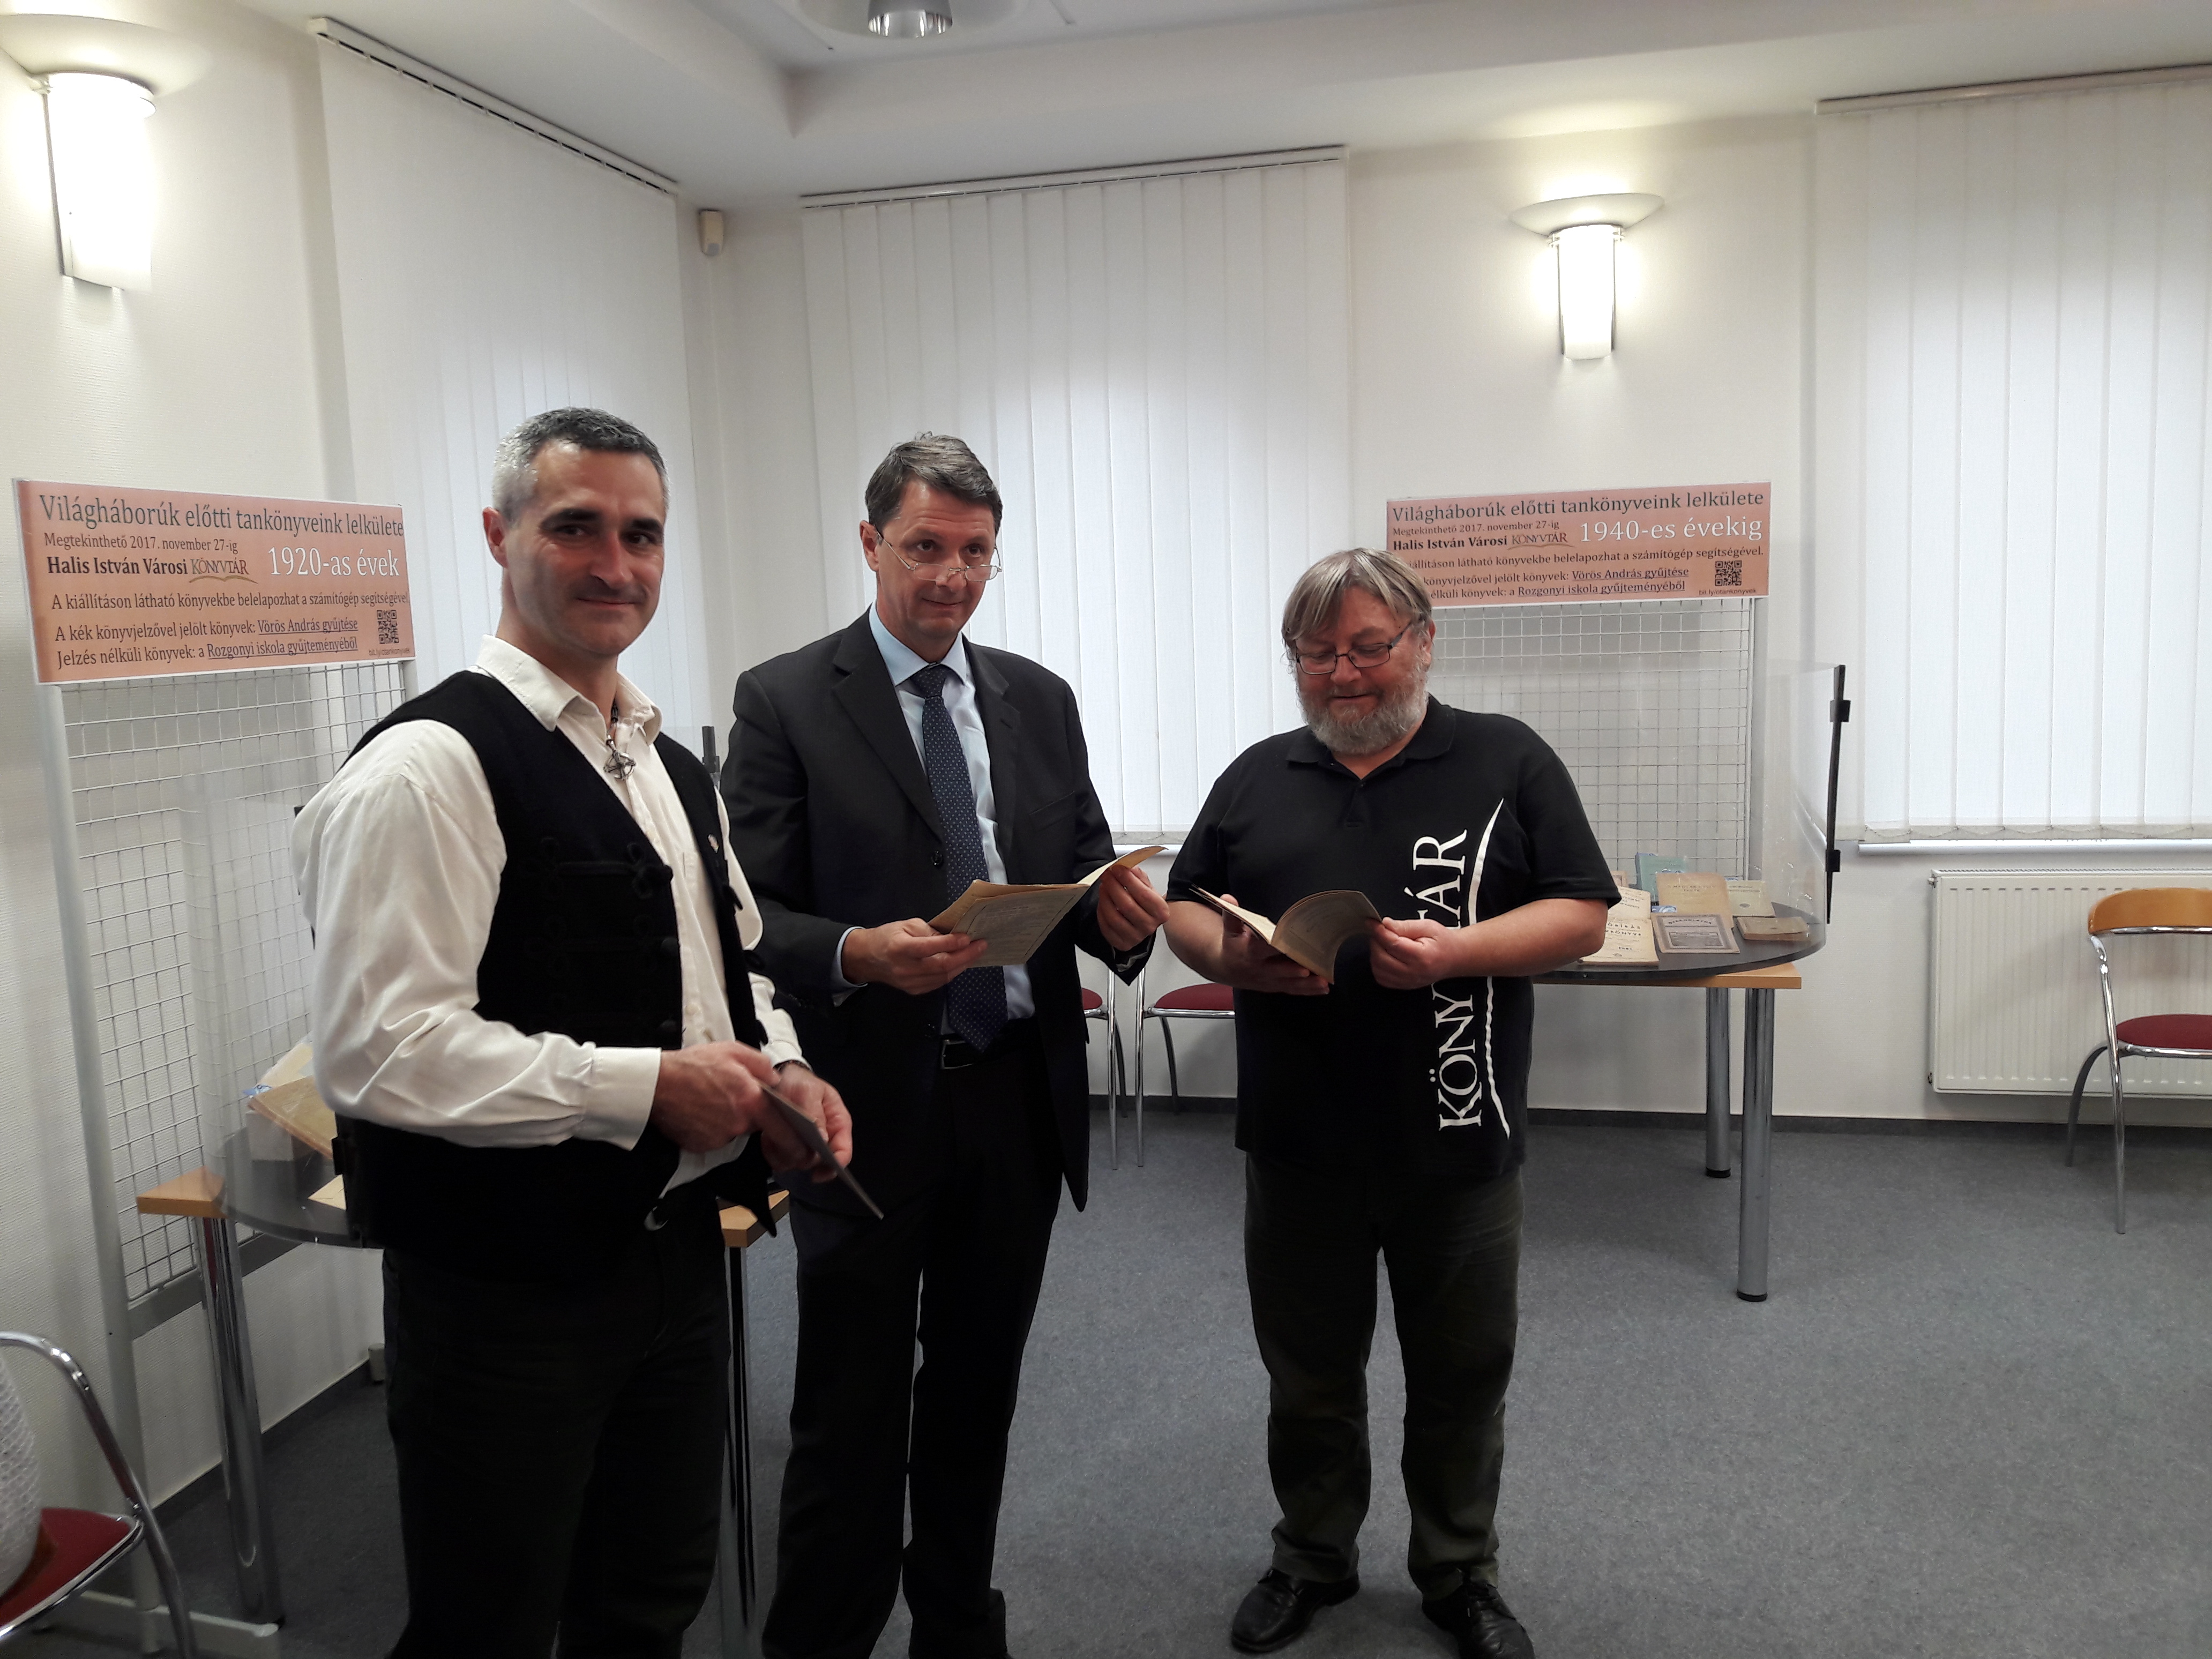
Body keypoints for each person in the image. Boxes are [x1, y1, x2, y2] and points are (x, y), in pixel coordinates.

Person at [294, 407, 853, 1658]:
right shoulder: (427, 768)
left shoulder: (670, 766)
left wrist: (786, 1070)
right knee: (487, 1625)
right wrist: (644, 1090)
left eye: (641, 535)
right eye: (576, 528)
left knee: (647, 1600)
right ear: (498, 537)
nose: (616, 564)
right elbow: (380, 1050)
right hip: (504, 1293)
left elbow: (735, 970)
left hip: (674, 1264)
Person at [723, 434, 1169, 1659]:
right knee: (850, 1413)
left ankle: (959, 1627)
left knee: (977, 1394)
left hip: (1015, 1101)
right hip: (866, 1107)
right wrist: (856, 952)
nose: (952, 577)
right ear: (871, 544)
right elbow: (746, 917)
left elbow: (1079, 866)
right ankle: (822, 1639)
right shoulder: (786, 700)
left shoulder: (1039, 699)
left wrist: (1119, 917)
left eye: (976, 553)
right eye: (926, 547)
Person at [1163, 548, 1615, 1659]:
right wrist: (1232, 953)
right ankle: (1311, 1558)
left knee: (1462, 1380)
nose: (1343, 674)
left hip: (1458, 1143)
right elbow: (1186, 907)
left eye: (1368, 648)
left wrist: (1457, 952)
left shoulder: (1507, 758)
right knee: (1308, 1379)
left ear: (1423, 642)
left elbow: (1582, 914)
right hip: (1298, 1142)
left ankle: (1460, 1573)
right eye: (1316, 655)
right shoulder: (1258, 775)